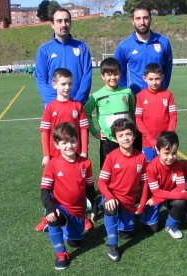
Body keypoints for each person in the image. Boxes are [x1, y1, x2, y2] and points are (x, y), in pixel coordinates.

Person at [35, 68, 92, 232]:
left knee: (78, 186)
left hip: (74, 154)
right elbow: (44, 131)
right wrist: (46, 154)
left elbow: (83, 130)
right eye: (63, 84)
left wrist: (84, 151)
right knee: (53, 188)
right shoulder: (50, 107)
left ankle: (83, 216)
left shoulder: (77, 106)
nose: (67, 87)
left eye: (70, 84)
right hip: (55, 156)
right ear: (54, 85)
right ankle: (49, 215)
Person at [39, 122, 97, 270]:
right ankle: (61, 253)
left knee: (75, 242)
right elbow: (45, 190)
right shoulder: (52, 164)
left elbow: (90, 188)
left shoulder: (86, 163)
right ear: (57, 145)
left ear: (77, 141)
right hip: (61, 207)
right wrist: (50, 208)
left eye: (72, 141)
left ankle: (63, 228)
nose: (69, 146)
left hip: (78, 212)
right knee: (54, 217)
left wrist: (94, 208)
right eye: (64, 142)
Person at [97, 118, 148, 262]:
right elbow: (101, 182)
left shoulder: (141, 157)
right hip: (112, 196)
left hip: (129, 200)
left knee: (127, 234)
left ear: (134, 135)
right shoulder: (111, 157)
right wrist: (108, 196)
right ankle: (112, 245)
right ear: (115, 138)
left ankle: (122, 219)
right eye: (121, 135)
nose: (125, 138)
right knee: (111, 208)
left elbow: (145, 182)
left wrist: (142, 203)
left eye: (128, 134)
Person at [35, 7, 92, 107]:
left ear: (70, 23)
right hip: (54, 108)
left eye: (66, 21)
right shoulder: (44, 50)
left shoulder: (82, 47)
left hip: (78, 107)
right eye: (59, 21)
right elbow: (41, 80)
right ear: (52, 24)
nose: (63, 24)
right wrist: (56, 104)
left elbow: (87, 77)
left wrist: (77, 103)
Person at [84, 57, 135, 169]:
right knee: (108, 168)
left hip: (126, 137)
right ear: (103, 76)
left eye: (116, 74)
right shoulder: (97, 96)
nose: (112, 77)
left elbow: (132, 111)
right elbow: (85, 113)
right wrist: (94, 132)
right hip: (108, 139)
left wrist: (133, 128)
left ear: (120, 74)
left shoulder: (127, 92)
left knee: (127, 166)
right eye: (109, 74)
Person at [139, 131, 187, 239]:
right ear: (157, 150)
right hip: (153, 198)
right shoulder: (151, 167)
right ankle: (147, 212)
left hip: (160, 197)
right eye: (166, 153)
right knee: (153, 229)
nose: (171, 157)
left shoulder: (178, 165)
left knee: (180, 203)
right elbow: (156, 192)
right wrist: (182, 194)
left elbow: (181, 188)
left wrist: (160, 199)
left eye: (174, 153)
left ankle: (171, 226)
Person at [114, 5, 173, 96]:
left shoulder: (164, 42)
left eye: (145, 18)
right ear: (132, 21)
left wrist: (162, 87)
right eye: (138, 18)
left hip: (158, 96)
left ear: (150, 19)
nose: (142, 22)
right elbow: (119, 72)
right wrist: (127, 93)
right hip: (135, 98)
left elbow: (167, 70)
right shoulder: (124, 46)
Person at [135, 63, 177, 162]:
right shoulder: (140, 96)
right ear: (144, 78)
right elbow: (138, 119)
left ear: (162, 77)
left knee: (166, 165)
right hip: (147, 142)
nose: (154, 82)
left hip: (166, 141)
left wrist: (169, 135)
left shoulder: (168, 94)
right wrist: (150, 139)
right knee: (149, 168)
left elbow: (173, 116)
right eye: (150, 79)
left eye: (157, 79)